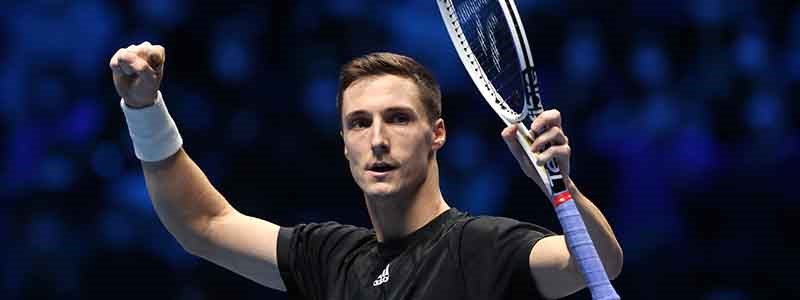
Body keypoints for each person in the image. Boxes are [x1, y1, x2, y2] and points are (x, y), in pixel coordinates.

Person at [109, 41, 622, 300]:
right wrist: (144, 110)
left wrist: (559, 186)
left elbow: (595, 265)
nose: (377, 139)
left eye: (398, 118)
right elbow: (204, 226)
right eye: (359, 123)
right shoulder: (329, 258)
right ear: (344, 145)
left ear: (436, 134)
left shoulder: (483, 247)